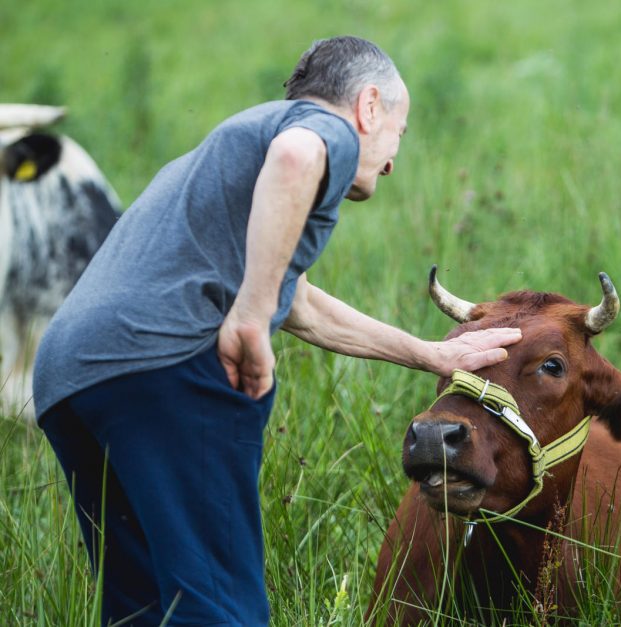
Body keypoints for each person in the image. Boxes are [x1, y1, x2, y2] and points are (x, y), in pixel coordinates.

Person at [33, 35, 521, 626]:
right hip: (163, 365)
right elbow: (296, 160)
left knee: (141, 607)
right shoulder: (324, 130)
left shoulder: (240, 140)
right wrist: (248, 313)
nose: (392, 158)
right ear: (369, 107)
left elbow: (302, 306)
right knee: (218, 604)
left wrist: (430, 355)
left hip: (70, 377)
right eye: (399, 132)